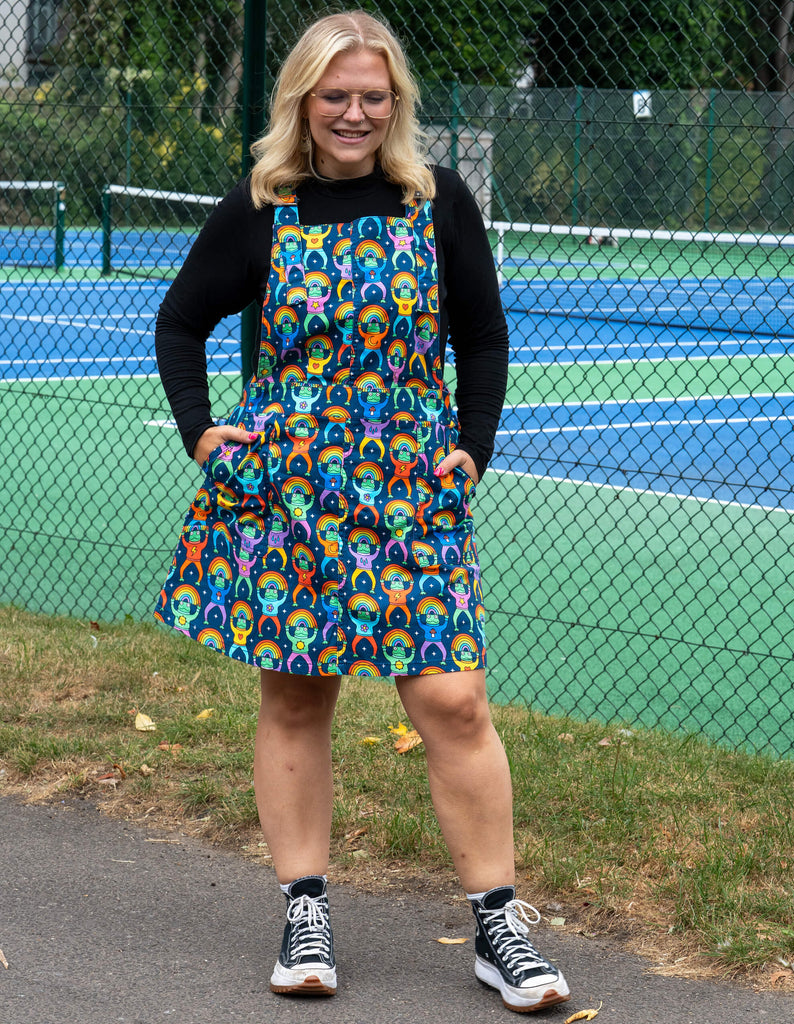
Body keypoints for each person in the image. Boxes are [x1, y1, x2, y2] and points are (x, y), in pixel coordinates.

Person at [153, 9, 570, 1014]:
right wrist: (204, 433)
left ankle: (497, 925)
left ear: (395, 105)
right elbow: (180, 318)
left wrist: (474, 444)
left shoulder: (440, 202)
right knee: (297, 695)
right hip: (290, 491)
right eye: (334, 96)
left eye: (372, 97)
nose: (353, 113)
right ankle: (305, 910)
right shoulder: (263, 206)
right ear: (303, 100)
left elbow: (482, 332)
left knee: (453, 699)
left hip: (409, 490)